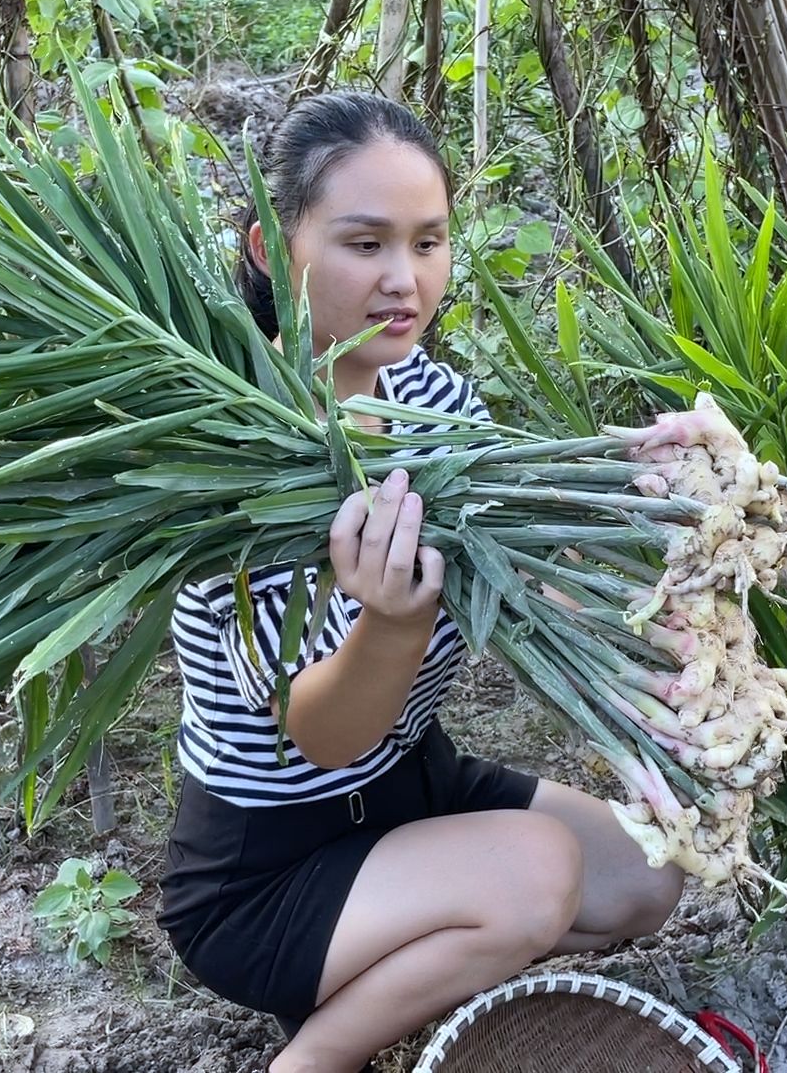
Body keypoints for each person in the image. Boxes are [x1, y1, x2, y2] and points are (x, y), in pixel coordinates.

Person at [156, 91, 686, 1073]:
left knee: (646, 879)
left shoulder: (428, 393)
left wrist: (671, 492)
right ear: (272, 247)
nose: (406, 280)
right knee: (538, 879)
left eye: (429, 242)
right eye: (366, 245)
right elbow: (321, 732)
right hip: (267, 867)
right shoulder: (240, 466)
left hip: (406, 785)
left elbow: (528, 572)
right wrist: (391, 628)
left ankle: (423, 961)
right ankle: (314, 1057)